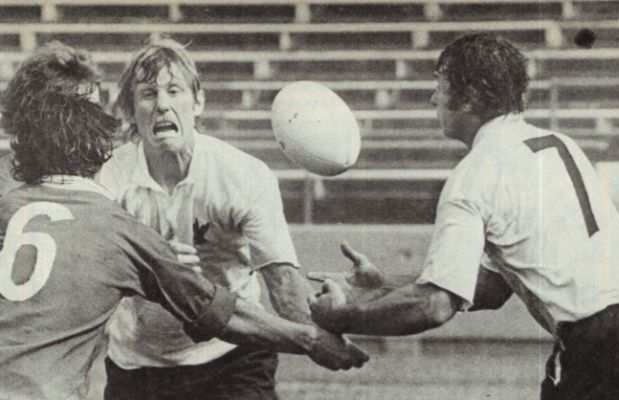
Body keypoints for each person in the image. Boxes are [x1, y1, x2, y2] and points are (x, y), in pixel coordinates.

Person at [308, 33, 619, 400]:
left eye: (440, 84)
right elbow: (492, 286)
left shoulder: (475, 173)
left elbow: (435, 306)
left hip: (602, 339)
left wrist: (343, 317)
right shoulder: (558, 144)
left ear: (468, 97)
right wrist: (383, 286)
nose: (433, 97)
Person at [0, 41, 367, 400]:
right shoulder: (103, 187)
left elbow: (283, 283)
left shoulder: (243, 175)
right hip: (138, 363)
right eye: (147, 94)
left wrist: (327, 325)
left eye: (174, 90)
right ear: (129, 110)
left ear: (198, 101)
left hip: (230, 358)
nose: (162, 104)